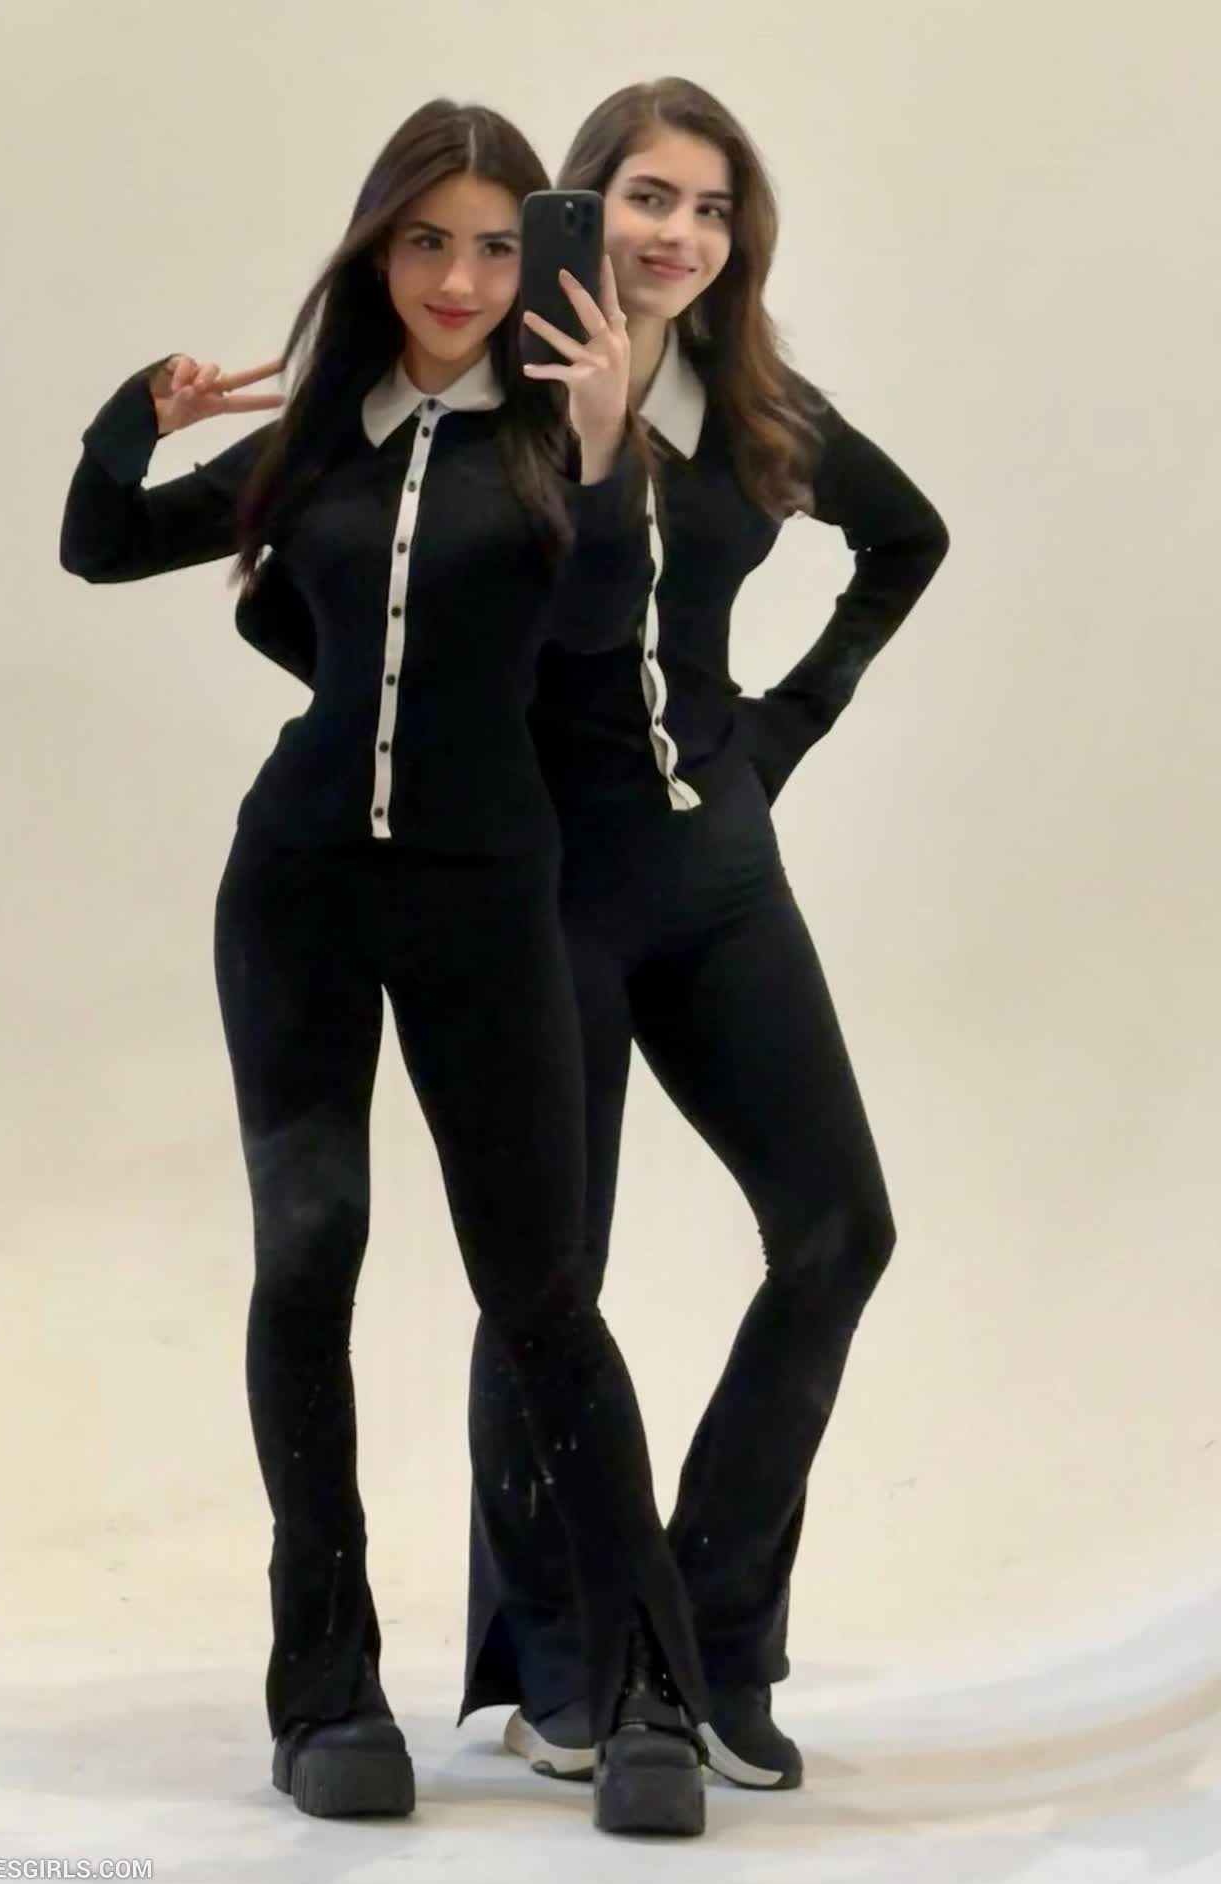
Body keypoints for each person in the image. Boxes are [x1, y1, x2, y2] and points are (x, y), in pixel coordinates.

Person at [59, 97, 714, 1837]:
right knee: (309, 1256)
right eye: (428, 239)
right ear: (375, 247)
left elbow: (599, 643)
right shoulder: (320, 441)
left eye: (498, 245)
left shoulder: (568, 442)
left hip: (490, 905)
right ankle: (328, 1688)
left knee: (542, 1291)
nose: (462, 279)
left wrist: (602, 450)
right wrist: (137, 417)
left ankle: (645, 1688)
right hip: (295, 897)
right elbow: (101, 543)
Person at [458, 77, 952, 1792]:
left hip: (720, 878)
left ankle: (715, 1635)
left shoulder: (754, 403)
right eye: (649, 198)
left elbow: (908, 538)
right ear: (583, 202)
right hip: (544, 895)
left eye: (713, 209)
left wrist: (786, 726)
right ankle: (566, 1659)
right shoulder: (498, 395)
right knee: (547, 1279)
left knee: (840, 1230)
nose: (680, 235)